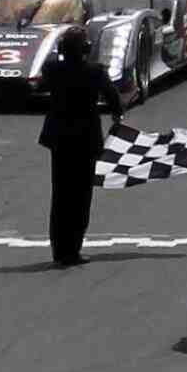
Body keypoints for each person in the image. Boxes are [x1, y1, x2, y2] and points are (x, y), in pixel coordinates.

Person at [38, 26, 124, 265]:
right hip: (85, 140)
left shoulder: (52, 69)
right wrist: (118, 115)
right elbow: (114, 99)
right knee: (80, 197)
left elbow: (41, 83)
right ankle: (73, 250)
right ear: (86, 49)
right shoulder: (95, 72)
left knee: (61, 196)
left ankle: (59, 251)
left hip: (60, 140)